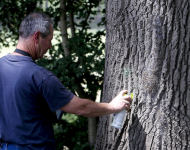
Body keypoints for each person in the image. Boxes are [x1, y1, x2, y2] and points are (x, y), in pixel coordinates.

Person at [0, 12, 132, 150]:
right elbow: (80, 108)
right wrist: (112, 106)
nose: (50, 46)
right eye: (49, 40)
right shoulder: (39, 76)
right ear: (37, 36)